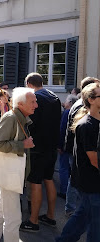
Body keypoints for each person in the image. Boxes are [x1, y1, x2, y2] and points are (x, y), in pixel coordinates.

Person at [0, 87, 37, 242]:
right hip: (10, 176)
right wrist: (23, 145)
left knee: (0, 212)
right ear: (20, 104)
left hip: (11, 175)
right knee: (13, 218)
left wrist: (23, 144)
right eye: (33, 102)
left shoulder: (18, 118)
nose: (36, 105)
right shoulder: (11, 118)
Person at [56, 82, 100, 242]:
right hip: (90, 181)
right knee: (96, 223)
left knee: (83, 216)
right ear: (91, 99)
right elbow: (94, 158)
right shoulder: (86, 125)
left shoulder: (96, 121)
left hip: (90, 181)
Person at [21, 72, 61, 232]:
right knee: (48, 179)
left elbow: (31, 122)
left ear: (29, 84)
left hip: (38, 147)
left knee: (36, 182)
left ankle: (33, 220)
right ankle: (50, 216)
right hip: (51, 146)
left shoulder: (36, 98)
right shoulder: (54, 96)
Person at [64, 77, 99, 217]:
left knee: (85, 211)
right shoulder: (84, 115)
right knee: (75, 180)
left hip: (78, 150)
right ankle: (70, 207)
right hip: (80, 152)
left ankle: (72, 208)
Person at [57, 94, 78, 200]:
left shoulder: (67, 112)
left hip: (66, 146)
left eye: (66, 101)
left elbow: (63, 130)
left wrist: (60, 145)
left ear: (70, 102)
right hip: (74, 146)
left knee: (64, 168)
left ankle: (64, 191)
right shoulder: (78, 111)